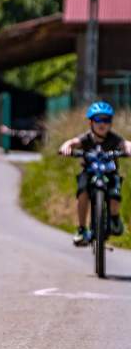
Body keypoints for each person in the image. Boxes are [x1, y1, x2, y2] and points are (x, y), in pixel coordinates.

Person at [59, 101, 131, 246]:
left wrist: (128, 149)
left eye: (106, 119)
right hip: (89, 172)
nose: (102, 123)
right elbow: (72, 142)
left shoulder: (114, 138)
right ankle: (81, 228)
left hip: (110, 173)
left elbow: (126, 144)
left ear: (110, 123)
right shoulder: (87, 138)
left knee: (115, 196)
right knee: (82, 192)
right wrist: (66, 147)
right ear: (91, 122)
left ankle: (115, 218)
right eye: (98, 119)